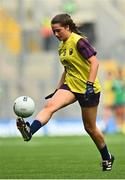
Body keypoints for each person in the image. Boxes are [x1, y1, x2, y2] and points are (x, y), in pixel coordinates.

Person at [16, 14, 114, 171]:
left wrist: (89, 84)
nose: (55, 34)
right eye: (53, 31)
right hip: (71, 86)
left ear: (67, 27)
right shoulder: (61, 46)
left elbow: (95, 62)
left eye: (58, 31)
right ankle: (29, 130)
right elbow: (67, 70)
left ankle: (106, 156)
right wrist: (57, 89)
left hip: (88, 89)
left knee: (90, 128)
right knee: (50, 106)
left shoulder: (78, 41)